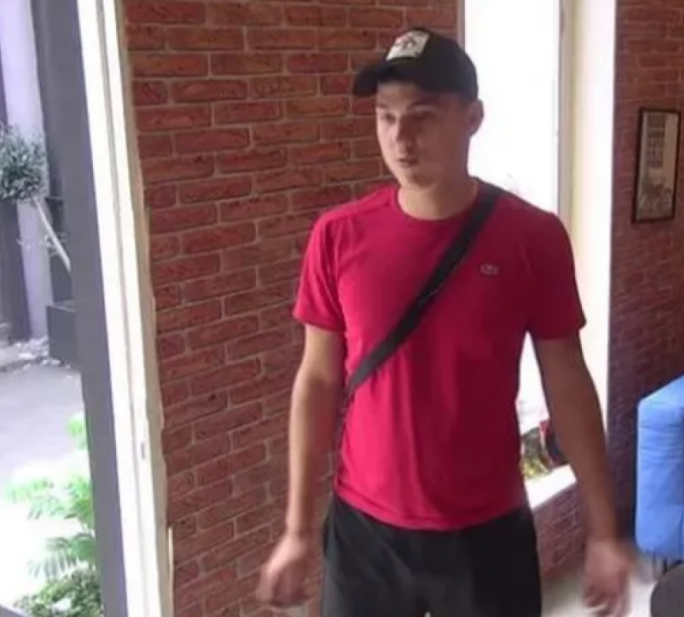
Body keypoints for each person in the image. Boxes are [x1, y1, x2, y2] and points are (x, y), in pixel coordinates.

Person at [255, 27, 635, 617]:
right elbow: (318, 381)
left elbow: (567, 381)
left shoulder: (531, 238)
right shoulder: (338, 236)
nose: (400, 139)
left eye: (423, 117)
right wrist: (298, 530)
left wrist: (603, 530)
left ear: (472, 118)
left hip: (487, 533)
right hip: (366, 536)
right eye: (385, 117)